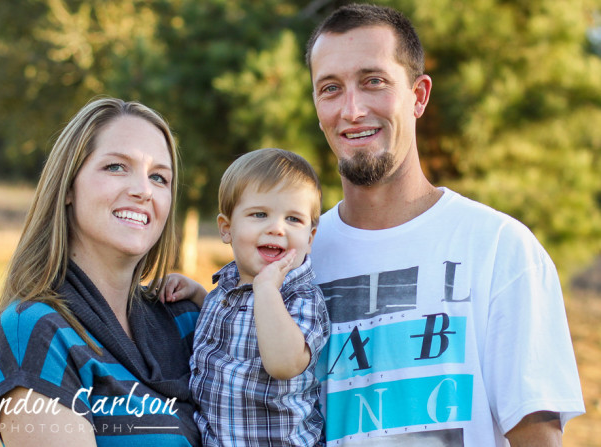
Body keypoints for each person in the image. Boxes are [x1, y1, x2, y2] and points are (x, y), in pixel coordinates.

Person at [305, 4, 585, 446]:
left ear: (419, 96)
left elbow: (537, 439)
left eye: (373, 82)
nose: (352, 109)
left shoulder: (499, 248)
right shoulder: (297, 258)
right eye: (331, 88)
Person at [0, 97, 201, 446]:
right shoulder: (37, 331)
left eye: (160, 177)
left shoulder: (187, 320)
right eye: (116, 167)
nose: (143, 190)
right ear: (68, 186)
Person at [164, 148, 330, 446]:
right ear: (227, 229)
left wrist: (267, 289)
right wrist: (200, 295)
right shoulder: (225, 290)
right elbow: (237, 325)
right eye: (259, 214)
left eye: (293, 219)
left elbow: (283, 363)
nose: (277, 228)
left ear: (310, 237)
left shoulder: (301, 298)